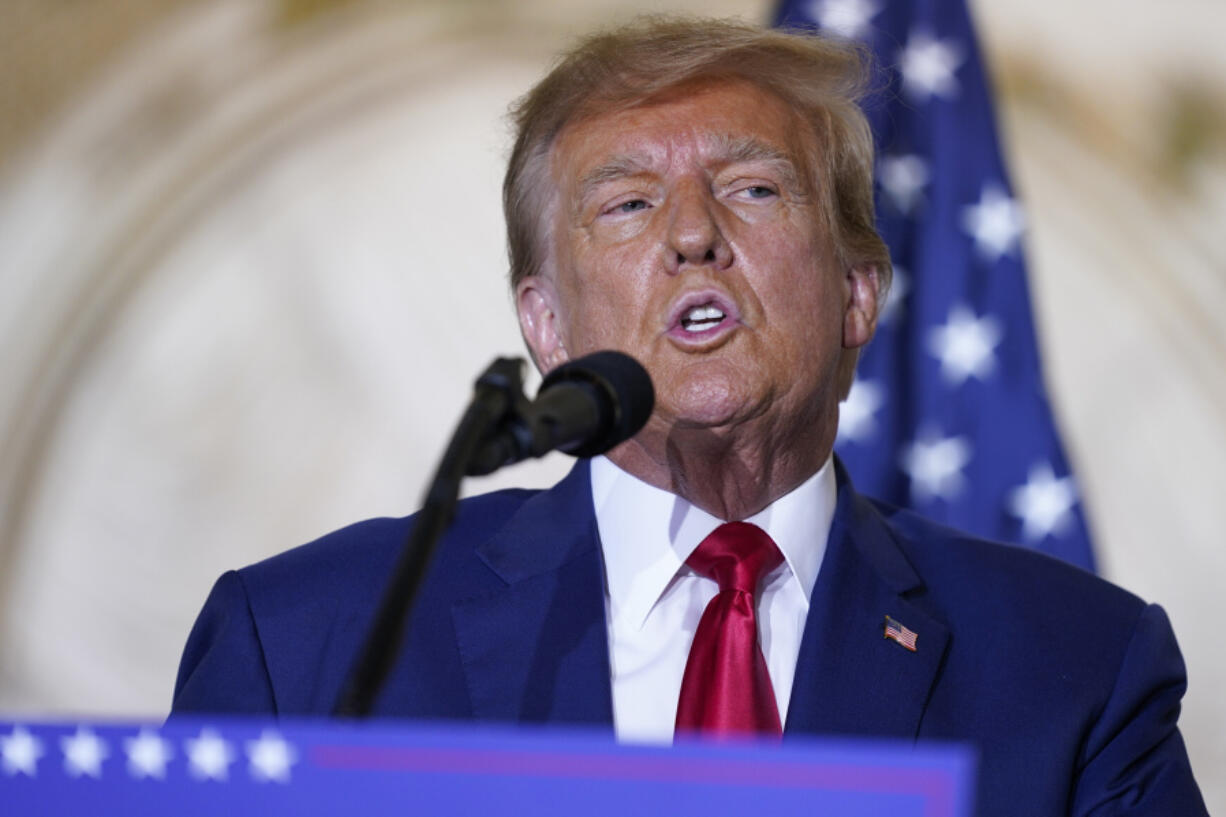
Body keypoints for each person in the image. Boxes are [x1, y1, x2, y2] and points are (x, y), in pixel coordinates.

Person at [172, 17, 1207, 815]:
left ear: (857, 294)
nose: (692, 236)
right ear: (545, 325)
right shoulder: (302, 647)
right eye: (625, 204)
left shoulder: (1074, 668)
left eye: (753, 189)